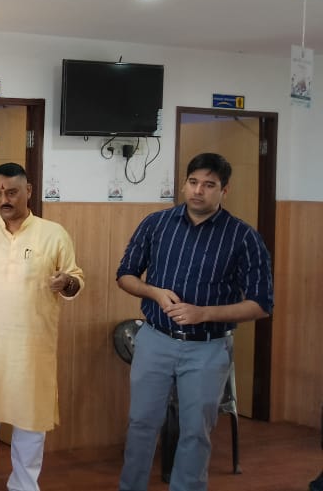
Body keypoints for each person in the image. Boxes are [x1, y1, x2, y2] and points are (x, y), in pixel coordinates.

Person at [117, 152, 273, 491]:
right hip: (155, 339)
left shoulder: (243, 237)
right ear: (184, 184)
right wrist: (154, 292)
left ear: (224, 190)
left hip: (208, 347)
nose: (198, 191)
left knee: (195, 432)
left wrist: (205, 313)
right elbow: (125, 275)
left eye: (209, 185)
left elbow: (261, 304)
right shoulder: (156, 224)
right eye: (193, 182)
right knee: (141, 423)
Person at [0, 162, 83, 491]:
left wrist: (65, 282)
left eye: (11, 192)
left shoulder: (54, 234)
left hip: (32, 352)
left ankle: (24, 486)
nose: (3, 199)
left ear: (28, 191)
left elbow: (75, 279)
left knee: (31, 428)